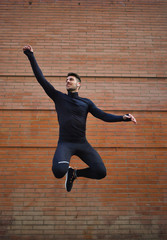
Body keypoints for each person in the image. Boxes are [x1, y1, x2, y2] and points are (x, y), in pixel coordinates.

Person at [23, 45, 137, 192]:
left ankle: (75, 173)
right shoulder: (58, 97)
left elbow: (103, 116)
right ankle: (67, 172)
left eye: (71, 79)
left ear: (79, 84)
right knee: (58, 171)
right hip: (65, 143)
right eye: (66, 80)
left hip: (82, 143)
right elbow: (41, 80)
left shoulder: (86, 102)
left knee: (101, 172)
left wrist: (123, 118)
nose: (67, 81)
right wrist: (30, 55)